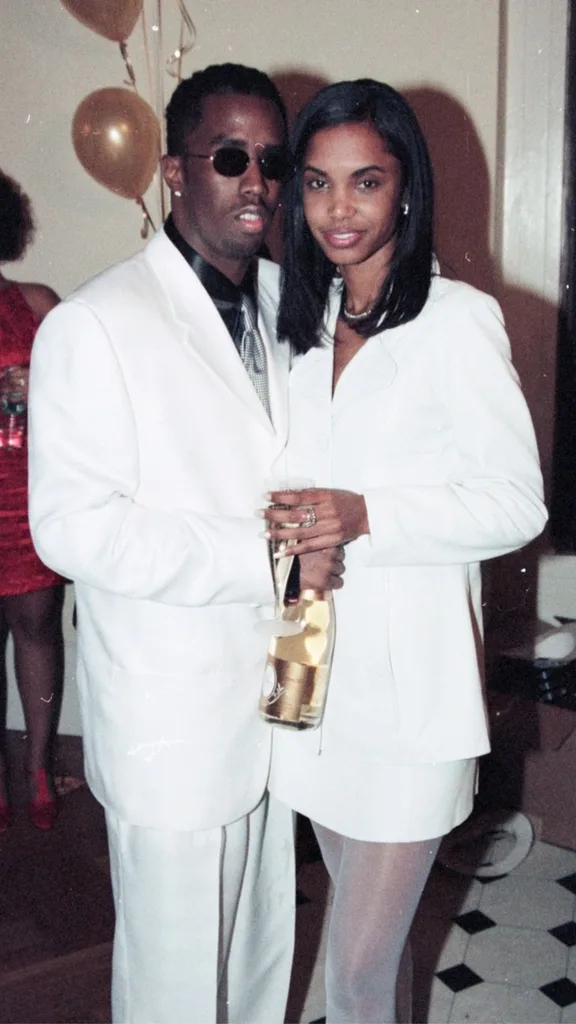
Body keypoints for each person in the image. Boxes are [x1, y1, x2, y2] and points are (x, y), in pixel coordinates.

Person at [27, 64, 343, 1024]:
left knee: (260, 958)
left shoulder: (302, 302)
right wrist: (264, 557)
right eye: (231, 157)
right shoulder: (96, 324)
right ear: (174, 170)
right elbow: (74, 528)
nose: (259, 182)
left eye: (275, 161)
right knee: (171, 986)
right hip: (172, 721)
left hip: (285, 688)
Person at [263, 79, 548, 1024]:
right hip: (303, 659)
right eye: (316, 183)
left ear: (407, 192)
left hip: (408, 687)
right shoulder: (296, 328)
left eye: (366, 182)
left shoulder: (455, 321)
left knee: (354, 968)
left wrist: (366, 514)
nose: (338, 210)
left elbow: (514, 502)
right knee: (348, 926)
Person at [0, 170, 65, 833]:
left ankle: (40, 770)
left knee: (38, 628)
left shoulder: (37, 302)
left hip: (26, 495)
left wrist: (42, 383)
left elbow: (95, 401)